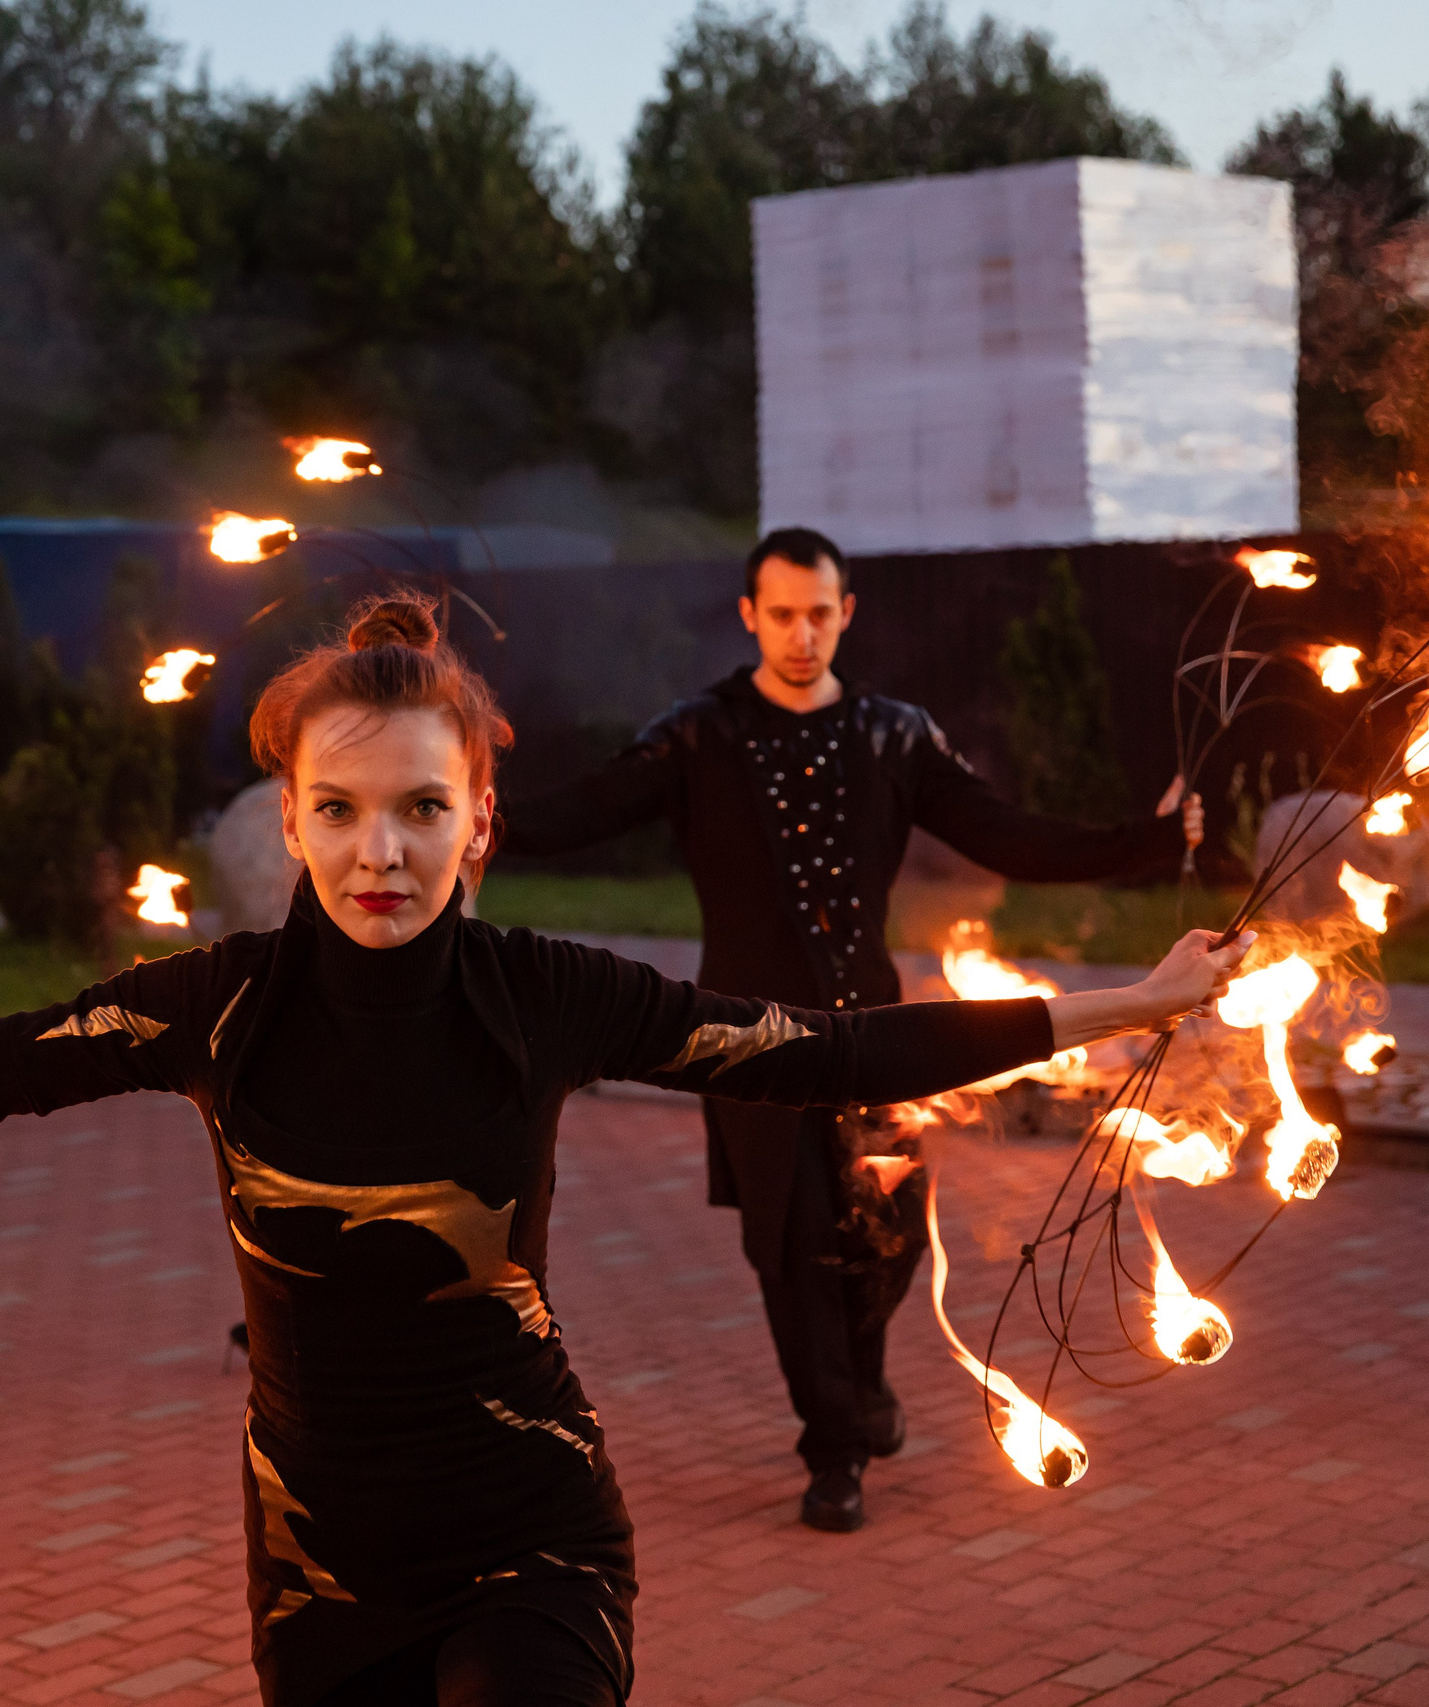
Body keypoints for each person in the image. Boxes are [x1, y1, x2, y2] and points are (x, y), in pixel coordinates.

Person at [0, 593, 1247, 1707]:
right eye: (340, 810)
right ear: (290, 823)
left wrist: (1125, 1000)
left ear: (479, 819)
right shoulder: (218, 1008)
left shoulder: (546, 994)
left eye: (422, 807)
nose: (381, 849)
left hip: (532, 1539)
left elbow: (836, 1049)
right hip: (318, 1567)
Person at [497, 528, 1204, 1535]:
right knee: (790, 1254)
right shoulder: (697, 735)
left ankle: (863, 1395)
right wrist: (467, 812)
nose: (800, 633)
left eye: (818, 613)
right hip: (742, 1038)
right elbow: (579, 812)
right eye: (780, 614)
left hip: (877, 1034)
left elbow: (1004, 832)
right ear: (749, 616)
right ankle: (832, 1450)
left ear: (846, 612)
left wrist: (1144, 838)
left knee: (888, 1243)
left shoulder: (893, 735)